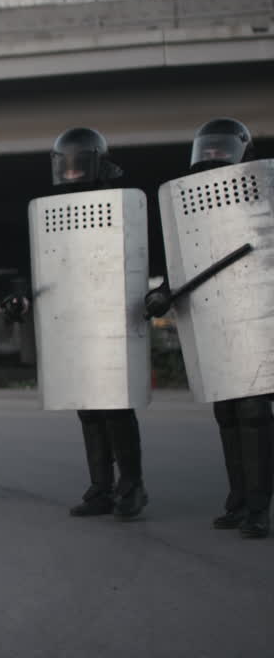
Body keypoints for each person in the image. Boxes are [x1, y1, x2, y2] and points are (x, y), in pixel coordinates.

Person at [2, 127, 148, 519]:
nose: (71, 171)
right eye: (65, 164)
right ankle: (101, 487)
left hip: (112, 314)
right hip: (72, 318)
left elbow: (137, 256)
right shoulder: (52, 213)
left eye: (78, 163)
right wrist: (21, 295)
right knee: (87, 406)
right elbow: (40, 266)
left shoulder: (119, 204)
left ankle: (132, 487)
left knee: (115, 404)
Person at [145, 118, 271, 539]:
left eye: (222, 149)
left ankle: (258, 507)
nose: (214, 156)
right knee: (228, 411)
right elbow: (182, 264)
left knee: (254, 412)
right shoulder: (188, 205)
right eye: (209, 149)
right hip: (216, 319)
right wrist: (161, 294)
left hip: (257, 317)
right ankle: (239, 498)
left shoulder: (264, 198)